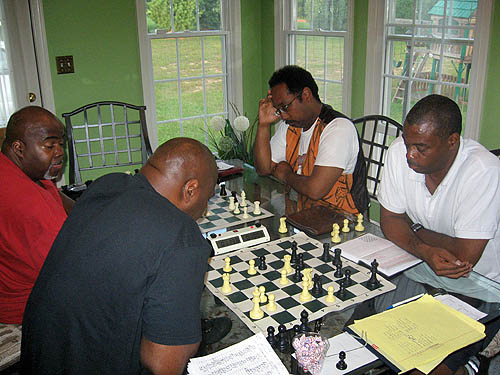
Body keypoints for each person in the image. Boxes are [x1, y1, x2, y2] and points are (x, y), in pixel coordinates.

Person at [21, 137, 219, 375]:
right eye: (206, 198)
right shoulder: (181, 236)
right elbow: (163, 365)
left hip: (38, 358)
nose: (205, 209)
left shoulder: (108, 184)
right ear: (190, 189)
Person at [377, 94, 500, 375]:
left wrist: (415, 230)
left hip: (481, 286)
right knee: (366, 337)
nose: (409, 154)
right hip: (417, 267)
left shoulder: (483, 170)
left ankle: (469, 363)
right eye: (408, 144)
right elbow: (390, 220)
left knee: (424, 368)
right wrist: (423, 249)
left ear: (452, 141)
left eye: (421, 147)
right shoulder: (399, 152)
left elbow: (464, 256)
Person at [254, 65, 368, 214]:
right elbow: (263, 169)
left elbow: (315, 190)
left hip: (343, 220)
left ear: (306, 95)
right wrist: (263, 125)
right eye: (278, 109)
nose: (283, 115)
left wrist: (285, 174)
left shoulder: (338, 128)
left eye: (285, 107)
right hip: (306, 212)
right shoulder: (291, 124)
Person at [0, 106, 73, 324]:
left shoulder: (25, 172)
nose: (60, 152)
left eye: (61, 144)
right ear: (19, 148)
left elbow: (70, 207)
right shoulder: (25, 199)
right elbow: (69, 268)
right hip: (31, 307)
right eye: (50, 145)